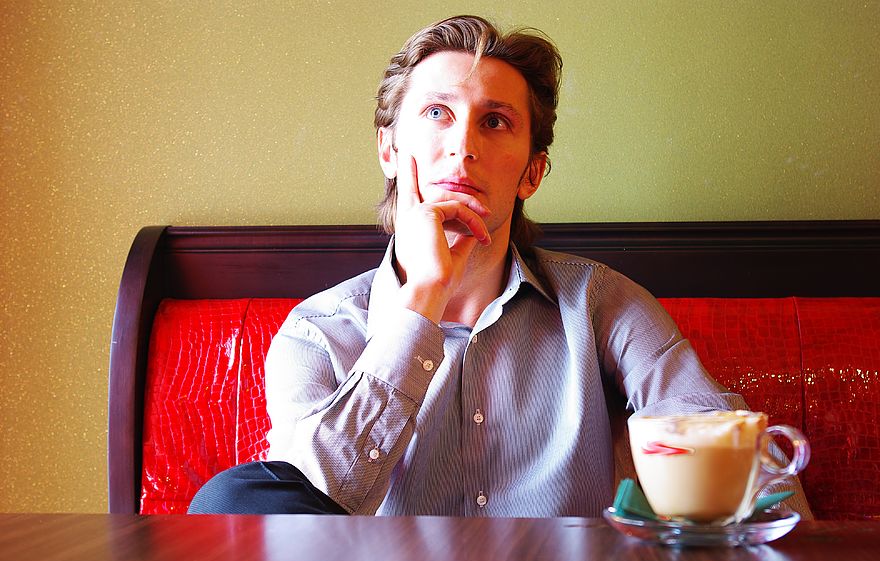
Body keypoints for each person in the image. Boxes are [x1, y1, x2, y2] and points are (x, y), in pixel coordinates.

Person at [189, 14, 810, 517]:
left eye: (495, 122)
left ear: (531, 173)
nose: (464, 145)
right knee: (233, 501)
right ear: (389, 148)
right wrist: (423, 298)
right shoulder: (317, 332)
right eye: (437, 114)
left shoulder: (601, 303)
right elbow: (314, 504)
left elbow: (742, 465)